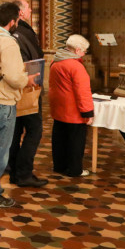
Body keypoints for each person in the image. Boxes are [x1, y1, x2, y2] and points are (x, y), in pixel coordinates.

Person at [0, 2, 38, 208]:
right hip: (2, 101)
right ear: (13, 22)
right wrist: (27, 80)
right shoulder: (7, 42)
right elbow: (13, 77)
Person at [8, 0, 47, 188]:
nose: (31, 10)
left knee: (16, 131)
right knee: (34, 130)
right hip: (27, 86)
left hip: (20, 87)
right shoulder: (18, 33)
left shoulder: (17, 32)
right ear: (21, 12)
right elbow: (22, 62)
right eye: (28, 8)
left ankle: (15, 171)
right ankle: (23, 173)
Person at [48, 35, 94, 177]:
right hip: (73, 111)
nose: (84, 54)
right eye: (84, 51)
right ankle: (75, 170)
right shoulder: (76, 66)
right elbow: (83, 91)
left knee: (59, 139)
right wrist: (87, 112)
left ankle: (59, 166)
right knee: (76, 142)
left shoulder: (55, 61)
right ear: (78, 50)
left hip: (58, 107)